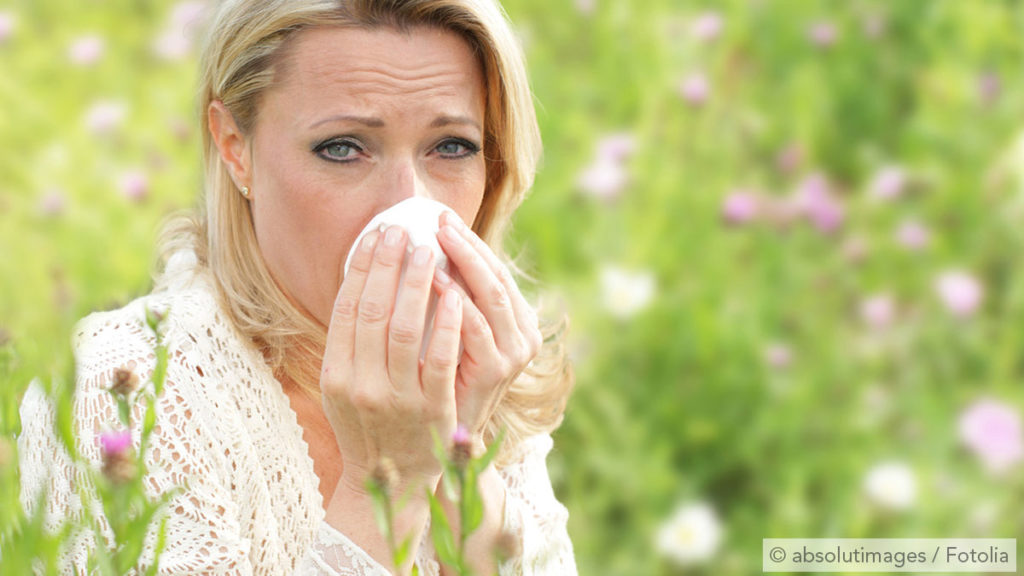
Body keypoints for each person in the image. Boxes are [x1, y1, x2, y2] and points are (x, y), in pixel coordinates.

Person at [17, 0, 576, 574]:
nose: (409, 204)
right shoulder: (125, 394)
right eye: (342, 147)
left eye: (452, 146)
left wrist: (460, 453)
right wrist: (385, 482)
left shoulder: (477, 370)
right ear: (236, 148)